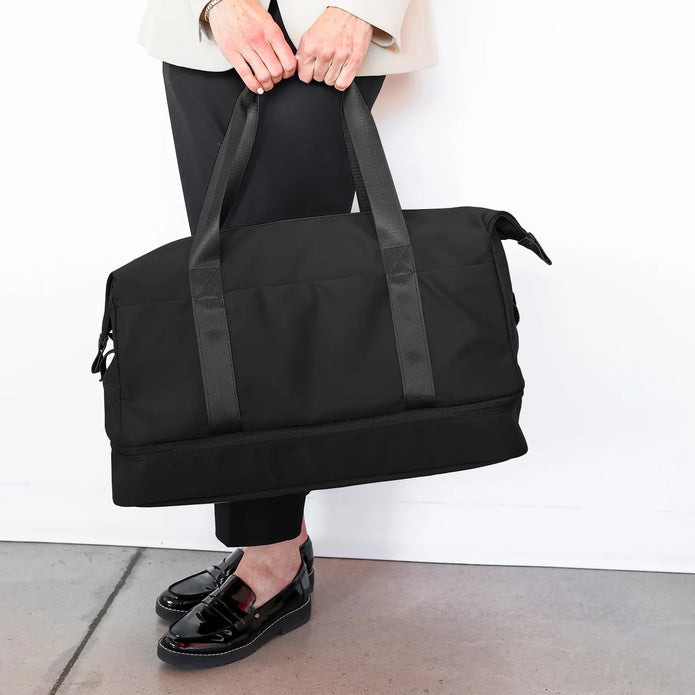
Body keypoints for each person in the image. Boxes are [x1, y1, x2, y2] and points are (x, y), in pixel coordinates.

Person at [137, 0, 438, 667]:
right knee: (226, 293)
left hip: (320, 27)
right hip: (205, 33)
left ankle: (271, 559)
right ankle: (274, 539)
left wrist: (359, 8)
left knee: (271, 300)